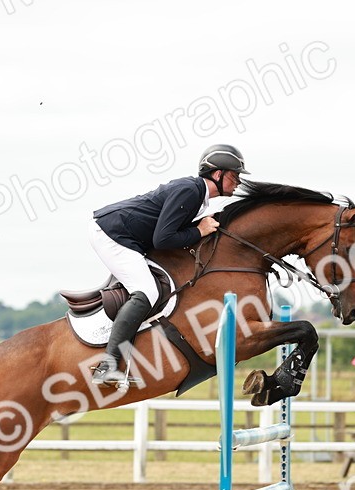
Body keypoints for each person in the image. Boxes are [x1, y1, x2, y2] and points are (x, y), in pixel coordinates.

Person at [89, 144, 249, 385]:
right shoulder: (190, 191)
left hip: (126, 235)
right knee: (147, 291)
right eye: (235, 176)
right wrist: (199, 231)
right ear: (218, 174)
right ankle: (108, 366)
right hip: (112, 233)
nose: (238, 182)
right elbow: (162, 240)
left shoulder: (197, 195)